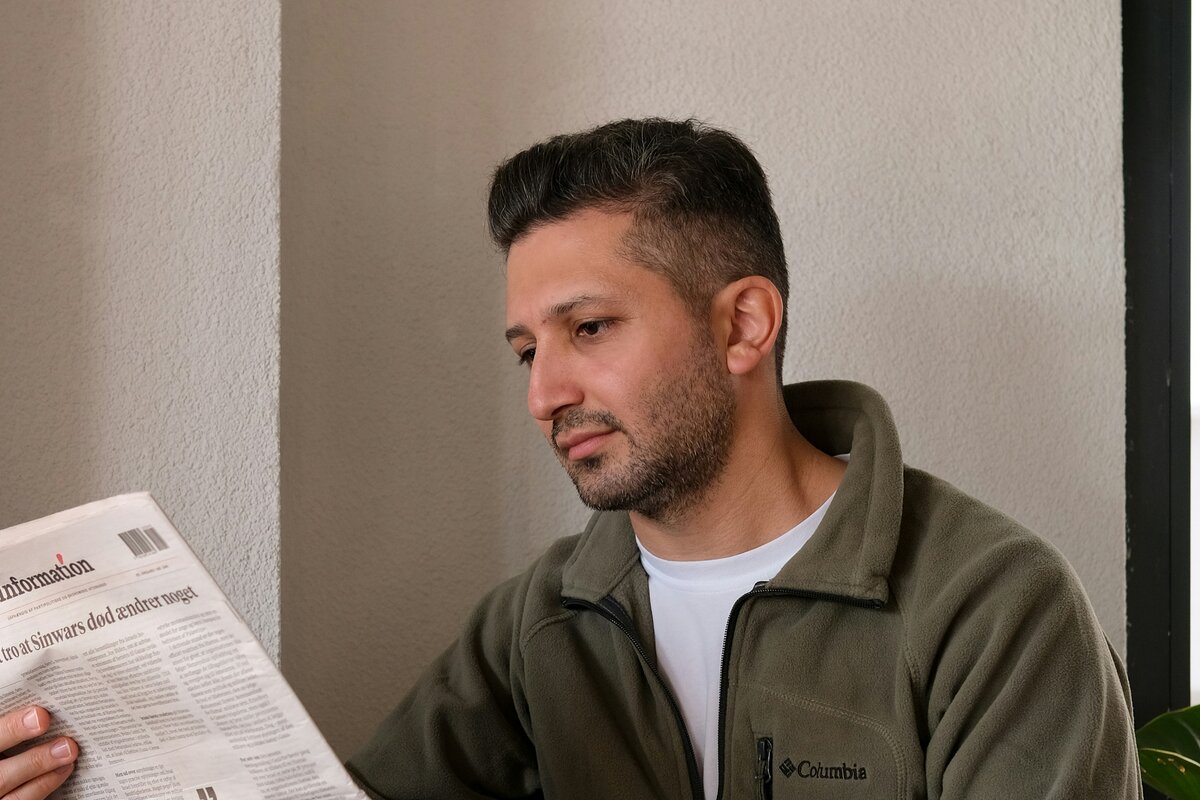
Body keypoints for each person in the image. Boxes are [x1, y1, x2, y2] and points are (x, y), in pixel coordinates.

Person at [0, 118, 1140, 799]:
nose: (545, 392)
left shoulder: (991, 604)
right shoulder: (537, 622)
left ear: (744, 324)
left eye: (590, 329)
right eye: (525, 349)